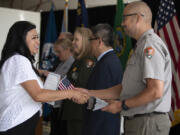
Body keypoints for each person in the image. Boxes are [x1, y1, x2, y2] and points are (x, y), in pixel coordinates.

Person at [76, 2, 172, 135]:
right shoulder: (141, 46)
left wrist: (121, 105)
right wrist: (88, 92)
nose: (122, 24)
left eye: (124, 18)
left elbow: (155, 91)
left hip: (147, 123)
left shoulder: (150, 45)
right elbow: (123, 89)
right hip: (139, 123)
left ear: (138, 17)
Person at [0, 21, 88, 135]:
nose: (38, 41)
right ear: (21, 39)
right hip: (16, 128)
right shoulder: (19, 60)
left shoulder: (17, 59)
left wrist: (74, 91)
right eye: (34, 38)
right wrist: (71, 93)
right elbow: (38, 95)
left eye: (38, 37)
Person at [82, 23, 123, 135]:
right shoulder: (106, 60)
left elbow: (101, 102)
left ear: (99, 41)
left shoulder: (107, 63)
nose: (89, 43)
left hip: (101, 126)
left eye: (90, 39)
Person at [62, 27, 95, 135]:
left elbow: (80, 85)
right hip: (73, 111)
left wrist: (58, 81)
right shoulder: (79, 60)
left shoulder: (88, 61)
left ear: (85, 41)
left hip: (79, 112)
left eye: (76, 39)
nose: (73, 42)